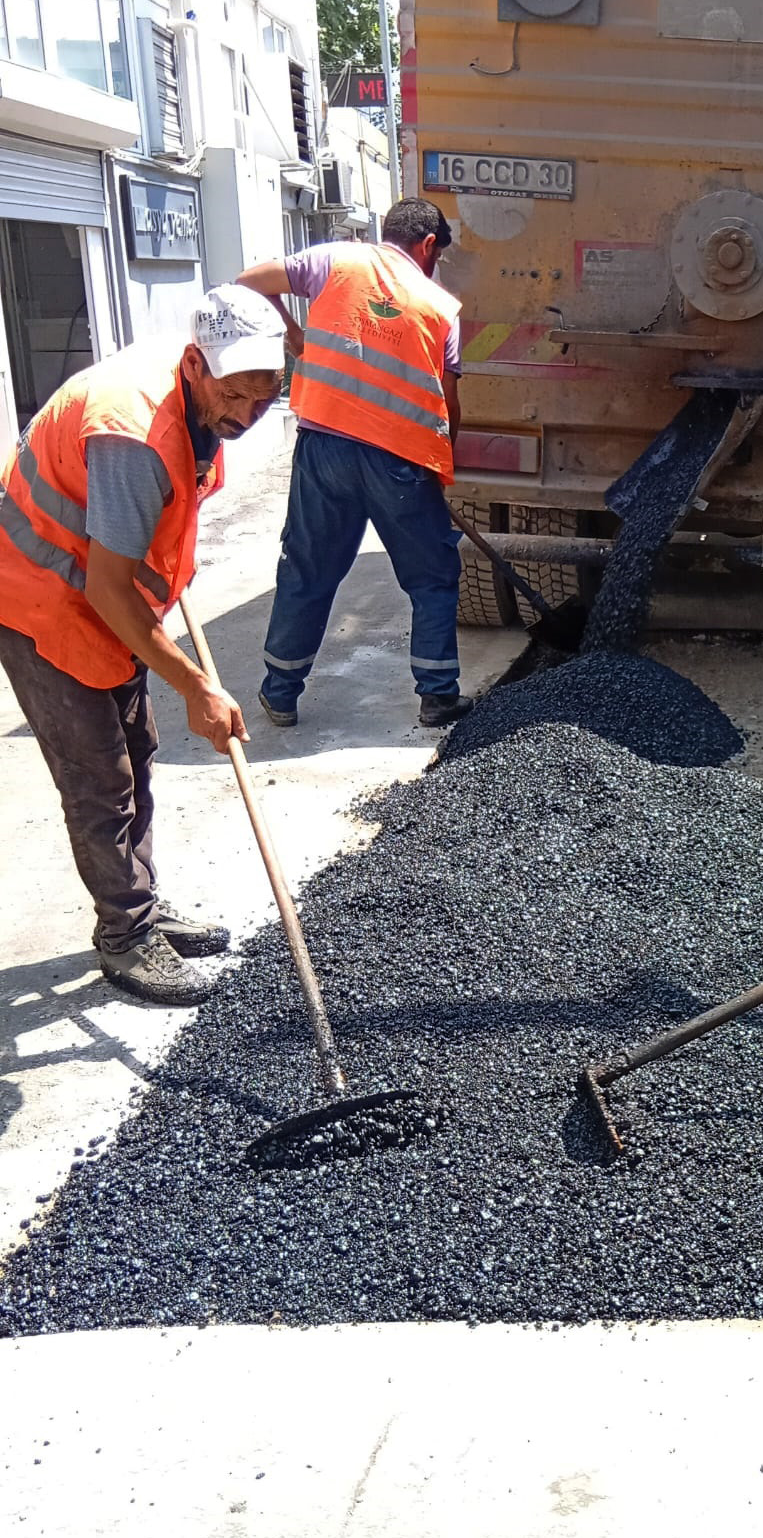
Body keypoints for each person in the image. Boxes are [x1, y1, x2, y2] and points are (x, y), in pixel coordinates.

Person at [0, 287, 285, 1005]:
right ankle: (124, 936)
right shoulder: (134, 436)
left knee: (137, 750)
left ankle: (143, 903)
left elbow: (138, 553)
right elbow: (107, 587)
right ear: (195, 364)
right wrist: (196, 684)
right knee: (99, 775)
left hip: (101, 592)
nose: (248, 416)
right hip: (40, 595)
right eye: (235, 397)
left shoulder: (200, 403)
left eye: (265, 399)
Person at [235, 198, 470, 730]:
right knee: (432, 579)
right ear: (428, 245)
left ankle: (280, 693)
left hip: (324, 450)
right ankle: (437, 697)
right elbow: (449, 403)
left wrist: (294, 336)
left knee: (308, 570)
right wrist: (439, 465)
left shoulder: (335, 261)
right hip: (400, 460)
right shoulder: (440, 306)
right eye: (438, 255)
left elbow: (250, 278)